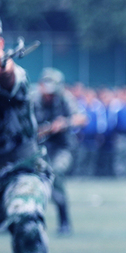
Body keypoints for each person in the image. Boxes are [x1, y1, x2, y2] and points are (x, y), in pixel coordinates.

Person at [0, 14, 54, 253]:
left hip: (20, 171)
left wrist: (1, 67)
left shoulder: (11, 74)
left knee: (25, 213)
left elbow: (11, 80)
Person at [31, 68, 88, 236]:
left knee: (56, 174)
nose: (50, 96)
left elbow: (82, 119)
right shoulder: (32, 100)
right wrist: (47, 129)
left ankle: (64, 221)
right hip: (36, 148)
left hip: (61, 148)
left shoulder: (64, 99)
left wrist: (65, 123)